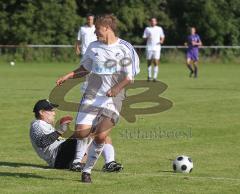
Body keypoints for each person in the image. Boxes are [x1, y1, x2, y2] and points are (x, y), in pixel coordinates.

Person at [56, 14, 140, 183]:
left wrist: (116, 88)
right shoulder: (93, 47)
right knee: (81, 132)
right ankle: (88, 151)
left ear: (107, 28)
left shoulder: (125, 48)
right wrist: (68, 75)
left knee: (101, 136)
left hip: (113, 98)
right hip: (91, 95)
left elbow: (130, 77)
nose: (95, 33)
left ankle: (86, 171)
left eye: (97, 29)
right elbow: (85, 68)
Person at [30, 99, 123, 172]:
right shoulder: (37, 124)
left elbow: (57, 140)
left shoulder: (45, 125)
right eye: (50, 111)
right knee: (87, 133)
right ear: (41, 112)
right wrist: (59, 131)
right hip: (58, 157)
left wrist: (68, 133)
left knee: (102, 136)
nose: (54, 113)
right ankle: (77, 162)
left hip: (61, 154)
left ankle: (110, 163)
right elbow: (42, 142)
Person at [143, 17, 165, 82]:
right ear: (150, 22)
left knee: (156, 61)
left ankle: (155, 77)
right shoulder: (147, 29)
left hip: (157, 47)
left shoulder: (159, 28)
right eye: (152, 21)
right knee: (149, 62)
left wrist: (161, 41)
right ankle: (149, 76)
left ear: (156, 22)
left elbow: (162, 36)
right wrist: (148, 37)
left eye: (154, 21)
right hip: (149, 47)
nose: (153, 22)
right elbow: (144, 37)